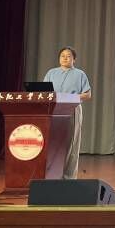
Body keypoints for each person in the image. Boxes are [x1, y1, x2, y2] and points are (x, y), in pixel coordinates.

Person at [42, 46, 92, 179]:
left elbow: (87, 94)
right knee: (53, 142)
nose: (65, 58)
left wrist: (71, 97)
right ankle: (52, 174)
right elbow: (44, 92)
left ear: (74, 59)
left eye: (68, 56)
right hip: (54, 109)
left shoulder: (80, 74)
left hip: (72, 108)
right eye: (62, 56)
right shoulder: (51, 73)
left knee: (71, 143)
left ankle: (68, 177)